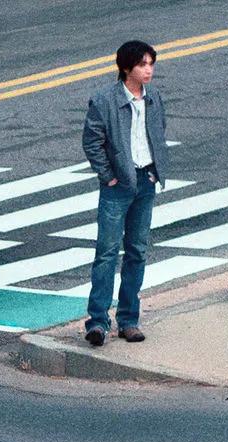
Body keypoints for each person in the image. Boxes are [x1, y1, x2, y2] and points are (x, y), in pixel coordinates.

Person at [81, 40, 169, 346]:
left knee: (137, 252)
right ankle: (97, 321)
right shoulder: (104, 100)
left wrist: (156, 171)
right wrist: (108, 176)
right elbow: (92, 141)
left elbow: (159, 132)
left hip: (145, 180)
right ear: (126, 68)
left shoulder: (153, 97)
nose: (149, 70)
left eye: (151, 64)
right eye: (143, 64)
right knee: (106, 253)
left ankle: (129, 320)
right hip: (118, 185)